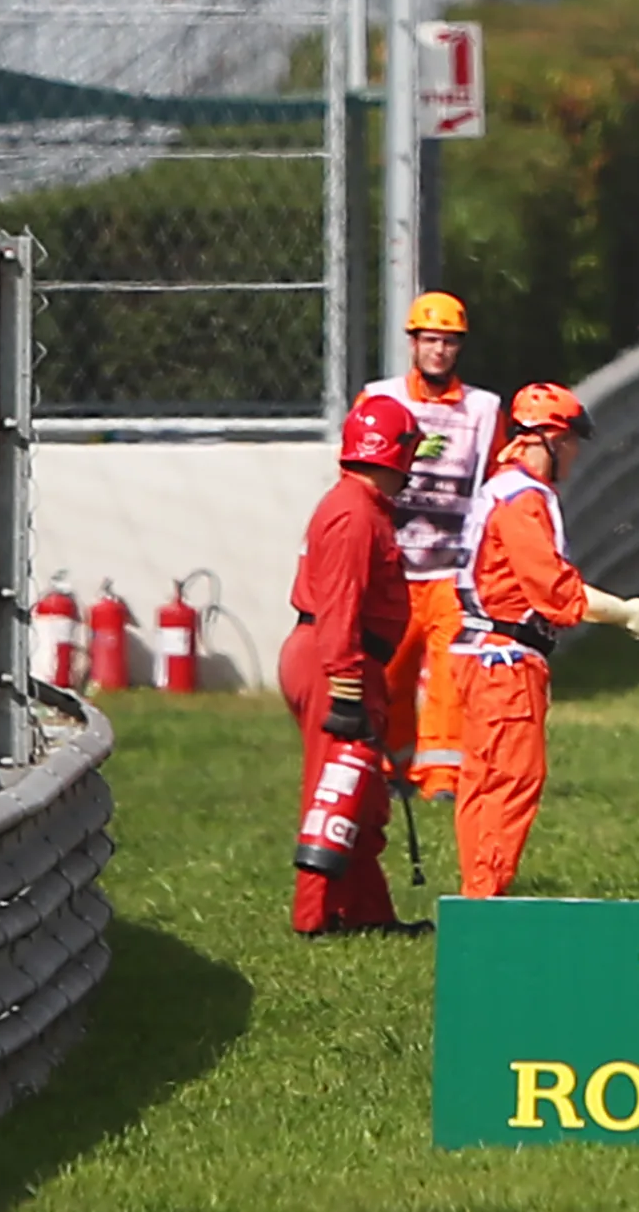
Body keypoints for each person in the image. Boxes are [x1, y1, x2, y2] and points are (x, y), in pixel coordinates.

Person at [448, 383, 639, 898]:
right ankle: (486, 896)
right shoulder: (523, 501)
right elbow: (553, 590)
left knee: (482, 780)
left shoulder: (499, 488)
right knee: (512, 779)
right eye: (571, 442)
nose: (575, 453)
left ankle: (478, 891)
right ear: (551, 439)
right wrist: (624, 612)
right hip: (505, 660)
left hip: (480, 653)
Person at [281, 395, 424, 936]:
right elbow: (340, 604)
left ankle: (366, 913)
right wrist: (345, 685)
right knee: (335, 791)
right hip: (336, 660)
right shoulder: (355, 515)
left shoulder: (360, 507)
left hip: (345, 658)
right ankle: (314, 918)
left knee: (362, 800)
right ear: (397, 452)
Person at [356, 290, 503, 803]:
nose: (439, 351)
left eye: (449, 342)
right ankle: (391, 767)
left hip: (452, 570)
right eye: (431, 340)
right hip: (395, 565)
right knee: (389, 673)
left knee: (449, 677)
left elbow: (494, 480)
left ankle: (442, 778)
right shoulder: (380, 398)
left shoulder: (483, 408)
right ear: (413, 343)